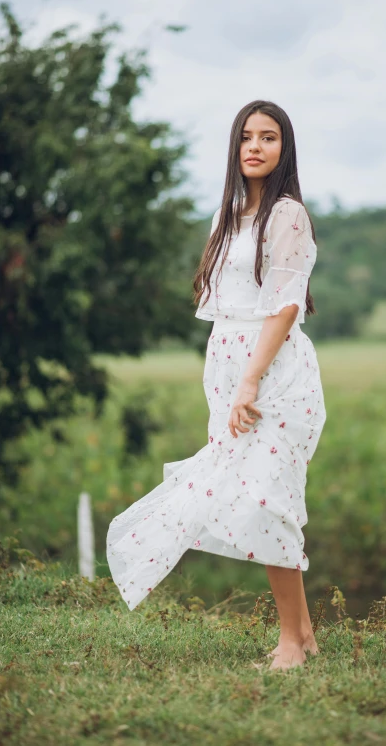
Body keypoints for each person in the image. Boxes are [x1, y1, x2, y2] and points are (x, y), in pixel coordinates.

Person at [107, 100, 327, 671]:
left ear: (285, 148)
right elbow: (225, 307)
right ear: (235, 148)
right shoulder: (227, 217)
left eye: (269, 137)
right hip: (229, 367)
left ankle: (288, 645)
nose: (255, 146)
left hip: (273, 372)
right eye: (246, 137)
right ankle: (302, 635)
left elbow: (284, 306)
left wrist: (250, 380)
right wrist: (231, 381)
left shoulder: (287, 215)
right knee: (258, 492)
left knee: (267, 498)